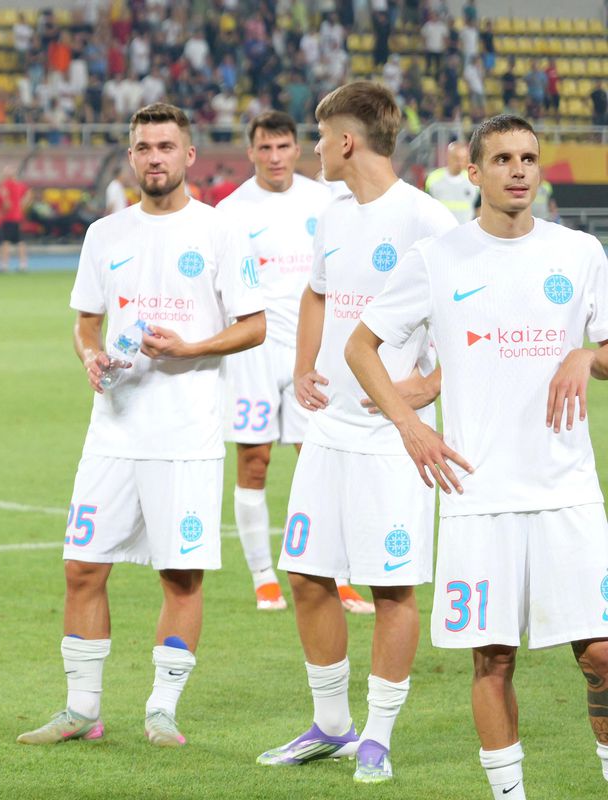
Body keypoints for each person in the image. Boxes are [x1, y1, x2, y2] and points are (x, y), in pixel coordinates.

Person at [346, 113, 608, 800]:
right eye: (502, 159)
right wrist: (410, 425)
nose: (518, 170)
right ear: (475, 172)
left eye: (528, 158)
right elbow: (360, 347)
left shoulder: (580, 253)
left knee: (603, 654)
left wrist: (586, 354)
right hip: (479, 493)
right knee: (492, 659)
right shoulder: (438, 258)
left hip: (567, 489)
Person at [17, 102, 266, 749]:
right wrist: (88, 355)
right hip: (113, 430)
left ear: (189, 156)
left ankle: (162, 709)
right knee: (82, 567)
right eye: (144, 148)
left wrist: (190, 348)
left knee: (180, 576)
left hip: (186, 435)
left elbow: (255, 325)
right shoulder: (105, 234)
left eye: (166, 146)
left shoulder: (219, 231)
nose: (155, 158)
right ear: (131, 157)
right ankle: (81, 710)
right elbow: (86, 322)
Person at [257, 82, 456, 782]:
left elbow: (473, 321)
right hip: (329, 429)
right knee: (307, 575)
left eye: (319, 136)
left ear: (346, 141)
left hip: (393, 439)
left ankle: (378, 735)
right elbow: (317, 292)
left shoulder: (428, 221)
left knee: (390, 586)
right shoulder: (333, 215)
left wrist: (429, 385)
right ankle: (332, 725)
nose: (313, 149)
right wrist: (302, 364)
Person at [217, 112, 375, 614]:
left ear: (296, 149)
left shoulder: (325, 199)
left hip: (314, 351)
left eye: (283, 146)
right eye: (265, 148)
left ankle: (338, 576)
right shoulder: (231, 211)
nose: (275, 157)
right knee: (255, 461)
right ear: (251, 152)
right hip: (254, 355)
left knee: (319, 461)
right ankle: (263, 576)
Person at [426, 141, 480, 224]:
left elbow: (479, 208)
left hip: (465, 229)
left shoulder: (473, 180)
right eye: (456, 158)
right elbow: (426, 206)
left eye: (463, 159)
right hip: (441, 230)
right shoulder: (433, 179)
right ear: (448, 157)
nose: (460, 162)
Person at [0, 166, 31, 272]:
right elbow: (29, 194)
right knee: (20, 241)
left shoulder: (6, 184)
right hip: (18, 216)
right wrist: (22, 205)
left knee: (6, 241)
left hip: (8, 217)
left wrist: (5, 208)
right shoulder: (20, 185)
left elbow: (5, 200)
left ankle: (5, 265)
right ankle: (23, 264)